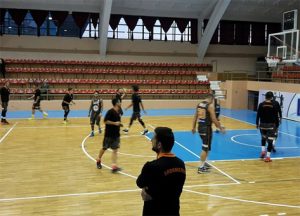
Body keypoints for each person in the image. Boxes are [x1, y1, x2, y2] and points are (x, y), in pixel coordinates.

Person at [136, 127, 186, 216]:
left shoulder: (151, 166)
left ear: (159, 145)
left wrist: (146, 190)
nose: (151, 140)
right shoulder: (181, 164)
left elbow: (140, 183)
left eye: (154, 138)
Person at [192, 94, 225, 174]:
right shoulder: (209, 106)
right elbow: (214, 119)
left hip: (200, 127)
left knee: (207, 147)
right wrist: (220, 128)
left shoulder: (199, 104)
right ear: (211, 99)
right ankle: (201, 168)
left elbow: (195, 116)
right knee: (205, 148)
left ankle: (205, 163)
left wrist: (193, 127)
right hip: (206, 128)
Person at [96, 98, 123, 173]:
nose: (120, 103)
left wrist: (119, 124)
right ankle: (98, 159)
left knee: (115, 150)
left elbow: (117, 122)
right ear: (116, 103)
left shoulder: (119, 112)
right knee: (104, 148)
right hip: (109, 134)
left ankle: (114, 167)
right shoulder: (110, 111)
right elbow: (105, 121)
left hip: (116, 135)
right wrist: (115, 123)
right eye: (119, 102)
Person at [256, 91, 279, 162]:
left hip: (262, 125)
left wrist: (257, 123)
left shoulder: (261, 104)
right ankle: (268, 157)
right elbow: (276, 117)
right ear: (272, 97)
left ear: (265, 96)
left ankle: (263, 151)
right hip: (271, 126)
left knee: (263, 138)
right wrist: (277, 125)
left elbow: (258, 115)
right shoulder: (274, 105)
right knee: (270, 141)